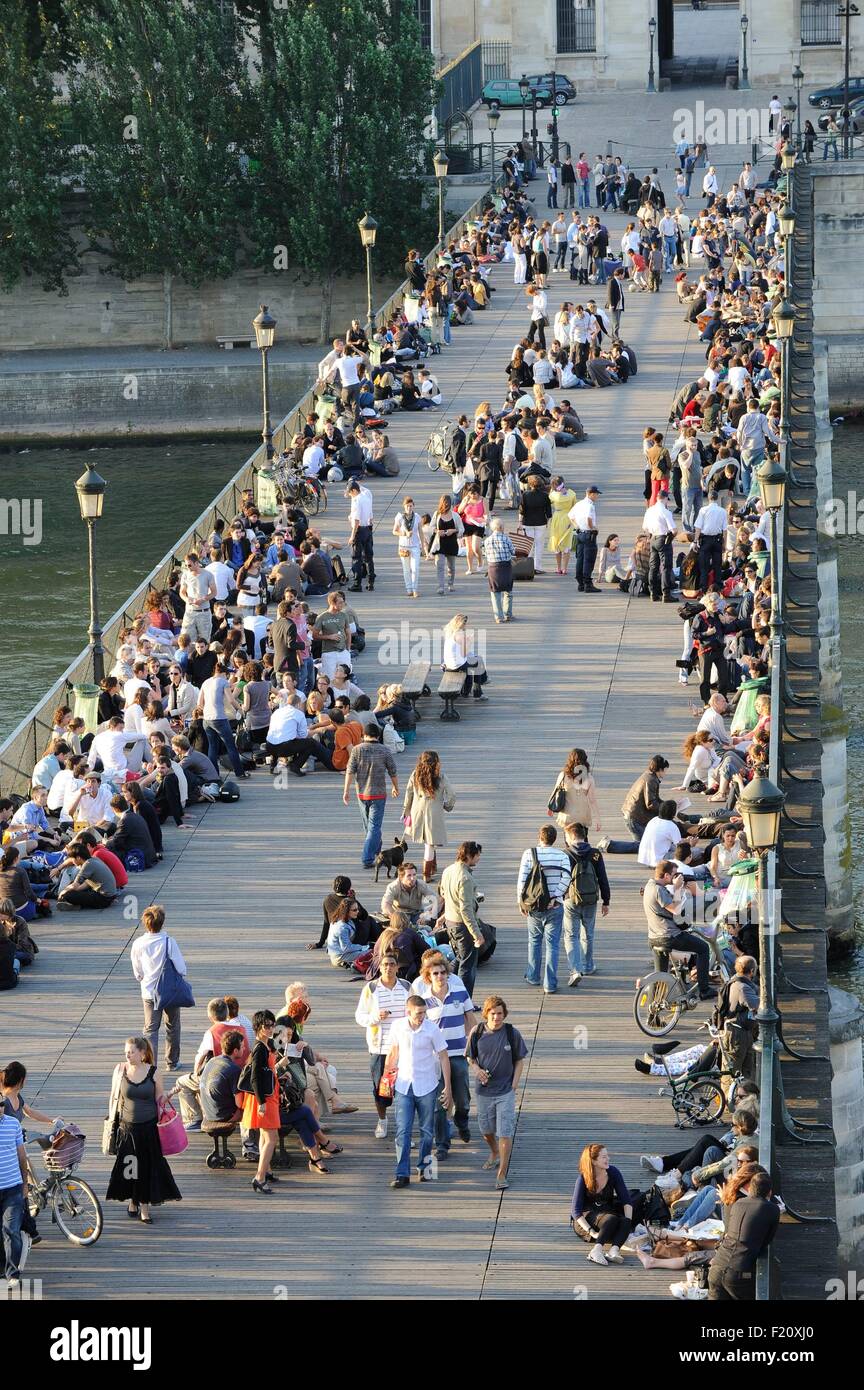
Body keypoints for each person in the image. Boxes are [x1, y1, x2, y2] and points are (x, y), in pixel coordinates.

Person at [105, 1035, 182, 1223]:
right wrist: (111, 1122)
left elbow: (159, 1100)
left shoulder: (154, 1072)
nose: (128, 1055)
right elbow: (114, 1098)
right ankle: (133, 1200)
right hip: (127, 1128)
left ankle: (144, 1208)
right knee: (130, 1167)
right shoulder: (120, 1070)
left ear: (142, 1053)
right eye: (126, 1052)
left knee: (147, 1168)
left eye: (131, 1052)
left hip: (148, 1129)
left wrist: (172, 1093)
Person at [385, 994, 451, 1187]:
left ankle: (425, 1168)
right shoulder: (398, 1027)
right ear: (408, 1011)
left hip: (427, 1085)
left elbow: (444, 1057)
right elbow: (393, 1051)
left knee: (427, 1131)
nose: (422, 1016)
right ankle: (402, 1173)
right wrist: (386, 1076)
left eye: (424, 1013)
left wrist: (447, 1087)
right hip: (404, 1085)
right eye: (418, 1013)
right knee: (402, 1131)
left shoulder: (432, 1029)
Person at [466, 996, 527, 1191]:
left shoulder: (511, 1033)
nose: (497, 1017)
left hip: (505, 1091)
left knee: (505, 1131)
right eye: (493, 1013)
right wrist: (477, 1070)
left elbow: (519, 1060)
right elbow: (470, 1057)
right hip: (484, 1091)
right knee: (486, 1129)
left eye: (500, 1013)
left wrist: (514, 1085)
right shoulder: (477, 1033)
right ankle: (494, 1152)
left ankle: (502, 1172)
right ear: (486, 1014)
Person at [355, 952, 412, 1139]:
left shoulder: (406, 987)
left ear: (397, 967)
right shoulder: (370, 988)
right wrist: (375, 1018)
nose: (388, 967)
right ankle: (382, 1120)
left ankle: (404, 1130)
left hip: (403, 1047)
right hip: (380, 1047)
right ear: (380, 967)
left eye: (392, 964)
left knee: (405, 1090)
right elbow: (360, 1016)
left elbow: (416, 1011)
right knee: (381, 1089)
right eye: (385, 964)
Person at [643, 859, 713, 1000]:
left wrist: (678, 889)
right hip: (669, 936)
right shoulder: (659, 890)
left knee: (659, 975)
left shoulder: (650, 885)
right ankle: (704, 990)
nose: (677, 877)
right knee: (703, 948)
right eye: (674, 874)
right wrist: (677, 888)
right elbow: (675, 909)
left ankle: (653, 1012)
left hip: (654, 937)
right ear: (667, 876)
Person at [130, 905, 189, 1071]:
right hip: (169, 991)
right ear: (162, 922)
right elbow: (181, 967)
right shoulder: (169, 942)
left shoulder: (138, 943)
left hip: (149, 991)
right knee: (173, 1025)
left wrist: (143, 978)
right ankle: (172, 1061)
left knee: (150, 1029)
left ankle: (150, 1064)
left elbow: (138, 971)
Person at [708, 1168, 780, 1300]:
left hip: (717, 1267)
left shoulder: (738, 1203)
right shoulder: (773, 1209)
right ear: (769, 1192)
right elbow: (766, 1241)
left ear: (750, 1189)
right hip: (739, 1273)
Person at [517, 824, 572, 995]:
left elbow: (522, 880)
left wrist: (521, 902)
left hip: (534, 905)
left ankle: (533, 976)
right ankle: (550, 984)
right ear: (554, 839)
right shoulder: (562, 855)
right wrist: (555, 896)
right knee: (552, 945)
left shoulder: (529, 854)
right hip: (554, 906)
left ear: (540, 837)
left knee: (534, 941)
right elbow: (567, 878)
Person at [343, 725, 399, 869]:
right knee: (373, 826)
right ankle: (368, 857)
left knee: (368, 825)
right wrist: (395, 787)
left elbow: (350, 771)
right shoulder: (385, 750)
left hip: (362, 793)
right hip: (379, 794)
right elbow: (392, 770)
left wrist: (346, 791)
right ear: (378, 736)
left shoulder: (357, 750)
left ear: (364, 735)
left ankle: (373, 851)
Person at [562, 822, 610, 986]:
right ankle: (588, 966)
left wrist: (557, 897)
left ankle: (575, 970)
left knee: (571, 936)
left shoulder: (565, 854)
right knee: (588, 934)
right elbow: (602, 878)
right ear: (584, 836)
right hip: (590, 900)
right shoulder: (595, 854)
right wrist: (606, 901)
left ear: (570, 836)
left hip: (571, 899)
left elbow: (561, 879)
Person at [438, 841, 487, 997]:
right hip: (462, 926)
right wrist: (477, 934)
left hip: (451, 923)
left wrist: (443, 916)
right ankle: (464, 1002)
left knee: (459, 959)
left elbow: (445, 895)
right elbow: (465, 909)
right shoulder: (465, 877)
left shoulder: (448, 870)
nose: (479, 858)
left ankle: (448, 989)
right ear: (469, 856)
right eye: (477, 855)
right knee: (467, 966)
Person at [570, 1143, 633, 1265]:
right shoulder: (583, 1178)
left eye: (607, 1156)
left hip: (605, 1213)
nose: (608, 1159)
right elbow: (575, 1211)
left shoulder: (613, 1172)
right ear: (593, 1161)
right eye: (604, 1157)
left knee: (624, 1220)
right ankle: (596, 1251)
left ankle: (614, 1251)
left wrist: (627, 1224)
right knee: (612, 1219)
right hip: (586, 1220)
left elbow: (626, 1200)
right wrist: (591, 1232)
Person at [402, 750, 455, 884]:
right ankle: (426, 874)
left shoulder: (415, 775)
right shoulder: (441, 777)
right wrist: (447, 806)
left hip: (417, 811)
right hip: (434, 812)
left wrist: (406, 810)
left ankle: (432, 868)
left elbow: (408, 793)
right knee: (430, 844)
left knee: (429, 841)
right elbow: (452, 794)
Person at [0, 1104, 27, 1287]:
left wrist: (25, 1184)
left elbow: (22, 1156)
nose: (0, 1108)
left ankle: (12, 1272)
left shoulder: (13, 1124)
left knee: (12, 1230)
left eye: (1, 1104)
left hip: (13, 1186)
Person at [56, 842, 118, 911]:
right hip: (111, 896)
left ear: (78, 858)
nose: (72, 862)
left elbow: (75, 885)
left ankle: (75, 905)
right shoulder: (94, 859)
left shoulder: (87, 864)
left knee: (68, 895)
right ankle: (76, 903)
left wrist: (63, 892)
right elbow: (87, 883)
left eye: (72, 859)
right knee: (72, 889)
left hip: (104, 899)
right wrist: (75, 889)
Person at [568, 486, 603, 592]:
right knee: (589, 559)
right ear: (591, 494)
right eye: (596, 494)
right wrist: (593, 528)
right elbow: (589, 519)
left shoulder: (579, 504)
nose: (597, 496)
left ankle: (580, 583)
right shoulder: (590, 506)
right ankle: (588, 583)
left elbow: (570, 516)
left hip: (579, 534)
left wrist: (577, 526)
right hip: (588, 534)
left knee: (580, 558)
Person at [392, 496, 427, 599]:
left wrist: (423, 545)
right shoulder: (399, 517)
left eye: (411, 506)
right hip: (404, 546)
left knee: (415, 568)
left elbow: (420, 531)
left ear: (413, 506)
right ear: (404, 506)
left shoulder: (417, 517)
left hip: (415, 545)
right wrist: (403, 533)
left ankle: (415, 589)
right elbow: (394, 531)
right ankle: (409, 589)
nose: (409, 508)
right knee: (406, 569)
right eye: (407, 506)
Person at [346, 480, 375, 591]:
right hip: (368, 528)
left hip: (359, 531)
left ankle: (357, 584)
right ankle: (370, 582)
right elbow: (371, 516)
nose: (349, 495)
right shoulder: (366, 497)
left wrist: (352, 536)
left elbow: (356, 520)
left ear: (354, 490)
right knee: (368, 557)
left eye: (350, 493)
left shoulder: (357, 500)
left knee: (356, 558)